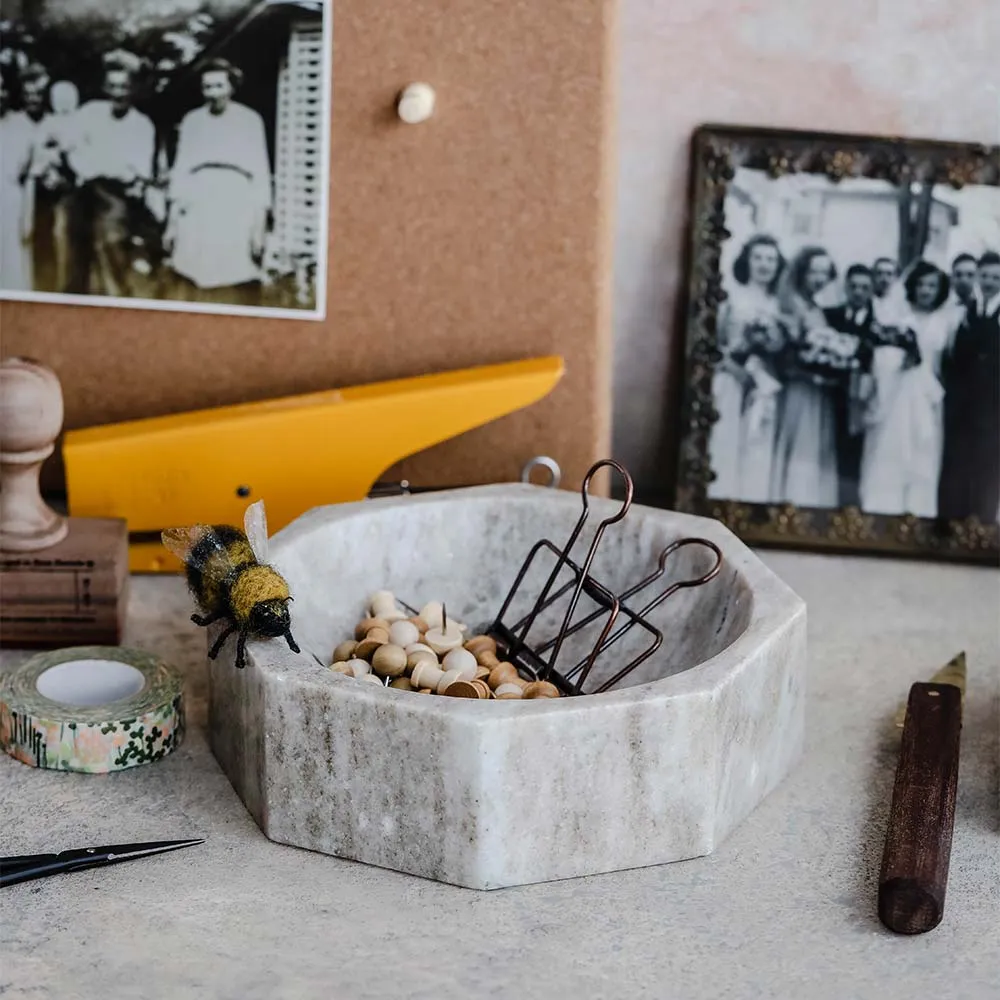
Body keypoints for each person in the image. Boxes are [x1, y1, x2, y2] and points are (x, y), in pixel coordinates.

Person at [165, 58, 272, 306]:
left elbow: (260, 174)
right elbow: (180, 171)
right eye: (207, 87)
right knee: (194, 273)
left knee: (231, 274)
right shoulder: (192, 121)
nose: (213, 94)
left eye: (219, 86)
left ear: (231, 87)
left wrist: (259, 226)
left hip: (235, 200)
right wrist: (172, 222)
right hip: (198, 200)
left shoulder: (250, 121)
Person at [859, 260, 952, 518]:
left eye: (932, 285)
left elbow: (943, 362)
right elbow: (880, 353)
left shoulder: (944, 321)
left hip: (927, 393)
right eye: (921, 284)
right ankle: (883, 507)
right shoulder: (898, 316)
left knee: (923, 452)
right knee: (891, 447)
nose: (926, 290)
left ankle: (917, 511)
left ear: (940, 289)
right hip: (897, 389)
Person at [708, 234, 786, 502]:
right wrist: (736, 369)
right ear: (747, 261)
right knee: (726, 442)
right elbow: (713, 344)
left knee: (757, 445)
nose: (765, 265)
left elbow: (780, 348)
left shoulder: (778, 304)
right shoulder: (730, 297)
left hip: (764, 384)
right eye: (759, 257)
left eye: (771, 259)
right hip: (732, 379)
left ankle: (748, 502)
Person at [70, 53, 156, 296]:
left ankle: (115, 299)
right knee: (75, 250)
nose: (118, 93)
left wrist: (101, 165)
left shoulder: (142, 125)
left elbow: (136, 171)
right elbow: (75, 152)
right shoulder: (90, 113)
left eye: (125, 87)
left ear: (134, 89)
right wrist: (97, 167)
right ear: (105, 87)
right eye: (113, 86)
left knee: (109, 244)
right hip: (85, 194)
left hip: (116, 197)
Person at [769, 246, 840, 508]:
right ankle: (792, 501)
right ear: (802, 272)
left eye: (825, 272)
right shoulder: (791, 304)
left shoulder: (815, 306)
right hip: (799, 387)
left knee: (815, 444)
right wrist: (811, 371)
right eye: (814, 271)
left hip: (818, 389)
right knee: (800, 442)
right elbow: (786, 355)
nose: (819, 278)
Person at [938, 251, 1000, 523]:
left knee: (988, 466)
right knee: (958, 463)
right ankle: (955, 522)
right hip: (962, 404)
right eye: (984, 276)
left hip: (993, 406)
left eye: (996, 277)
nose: (989, 282)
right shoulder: (964, 313)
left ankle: (982, 525)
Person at [823, 264, 877, 507]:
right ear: (846, 287)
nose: (858, 292)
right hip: (830, 394)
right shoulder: (829, 317)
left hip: (862, 399)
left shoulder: (878, 326)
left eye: (864, 287)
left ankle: (851, 505)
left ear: (871, 291)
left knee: (857, 452)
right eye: (853, 286)